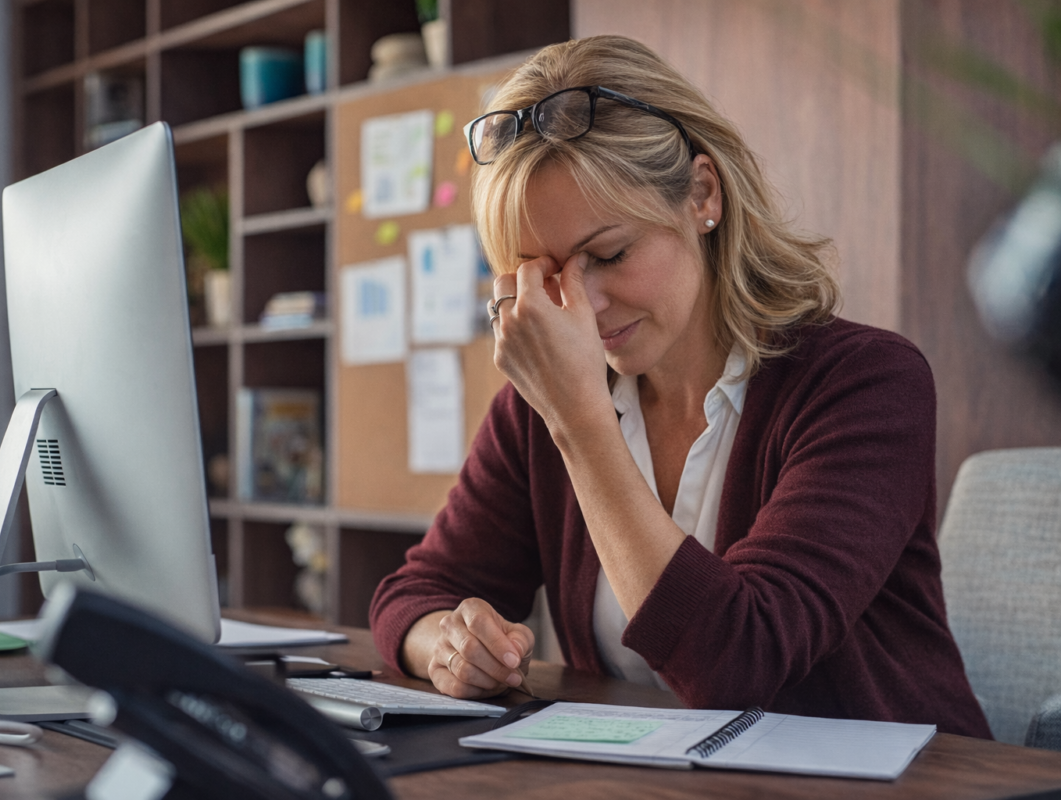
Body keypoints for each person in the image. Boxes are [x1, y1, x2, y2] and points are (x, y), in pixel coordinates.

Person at [369, 35, 992, 738]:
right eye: (543, 277)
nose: (586, 307)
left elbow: (740, 660)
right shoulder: (539, 408)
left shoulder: (867, 384)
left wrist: (579, 423)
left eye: (609, 255)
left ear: (702, 194)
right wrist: (446, 645)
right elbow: (415, 593)